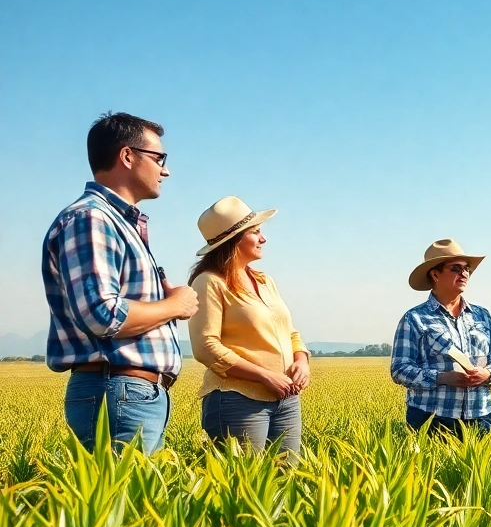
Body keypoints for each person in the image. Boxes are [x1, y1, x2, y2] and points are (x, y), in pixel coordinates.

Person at [41, 112, 196, 454]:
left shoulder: (117, 222)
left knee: (136, 505)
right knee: (122, 503)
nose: (165, 170)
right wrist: (175, 305)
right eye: (159, 159)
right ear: (127, 156)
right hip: (118, 389)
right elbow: (102, 314)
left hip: (130, 392)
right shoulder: (92, 218)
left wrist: (163, 302)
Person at [187, 196, 309, 457]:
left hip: (286, 399)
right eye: (255, 232)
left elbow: (289, 332)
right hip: (237, 400)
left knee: (287, 481)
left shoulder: (265, 281)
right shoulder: (209, 282)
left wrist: (301, 360)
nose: (263, 239)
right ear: (233, 241)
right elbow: (206, 347)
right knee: (243, 484)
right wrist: (265, 376)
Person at [392, 239, 491, 439]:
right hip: (431, 418)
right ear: (435, 274)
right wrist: (442, 377)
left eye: (467, 269)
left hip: (480, 416)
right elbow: (399, 369)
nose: (464, 274)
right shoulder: (415, 318)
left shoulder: (483, 316)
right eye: (456, 269)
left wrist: (488, 374)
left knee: (477, 471)